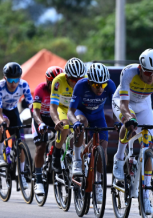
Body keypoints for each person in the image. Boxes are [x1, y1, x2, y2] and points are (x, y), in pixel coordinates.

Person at [112, 49, 153, 214]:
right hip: (123, 101)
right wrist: (129, 119)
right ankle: (119, 158)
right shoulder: (128, 72)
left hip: (143, 103)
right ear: (140, 68)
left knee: (148, 146)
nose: (150, 77)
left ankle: (145, 195)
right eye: (147, 73)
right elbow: (124, 106)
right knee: (129, 122)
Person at [68, 63, 116, 203]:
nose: (101, 89)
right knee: (82, 123)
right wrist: (75, 122)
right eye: (96, 86)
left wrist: (118, 121)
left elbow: (116, 108)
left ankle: (99, 184)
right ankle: (77, 160)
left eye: (103, 85)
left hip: (98, 116)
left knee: (104, 146)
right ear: (89, 82)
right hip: (81, 113)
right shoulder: (81, 85)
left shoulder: (111, 85)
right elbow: (71, 111)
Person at [0, 62, 33, 188]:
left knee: (21, 139)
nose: (13, 83)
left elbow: (31, 105)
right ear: (5, 78)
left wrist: (36, 118)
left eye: (16, 80)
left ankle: (22, 175)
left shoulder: (24, 84)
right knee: (2, 124)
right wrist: (2, 120)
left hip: (12, 109)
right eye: (10, 80)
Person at [50, 57, 87, 174]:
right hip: (62, 107)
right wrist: (56, 121)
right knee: (64, 125)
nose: (76, 83)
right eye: (73, 80)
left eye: (79, 79)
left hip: (76, 108)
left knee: (82, 124)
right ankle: (56, 153)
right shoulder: (58, 81)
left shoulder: (85, 81)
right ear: (67, 77)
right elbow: (53, 107)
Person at [32, 66, 63, 195]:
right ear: (47, 81)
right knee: (41, 146)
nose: (55, 85)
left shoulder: (62, 89)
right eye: (52, 82)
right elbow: (35, 111)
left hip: (54, 117)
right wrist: (40, 124)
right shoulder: (40, 89)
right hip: (41, 118)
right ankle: (38, 180)